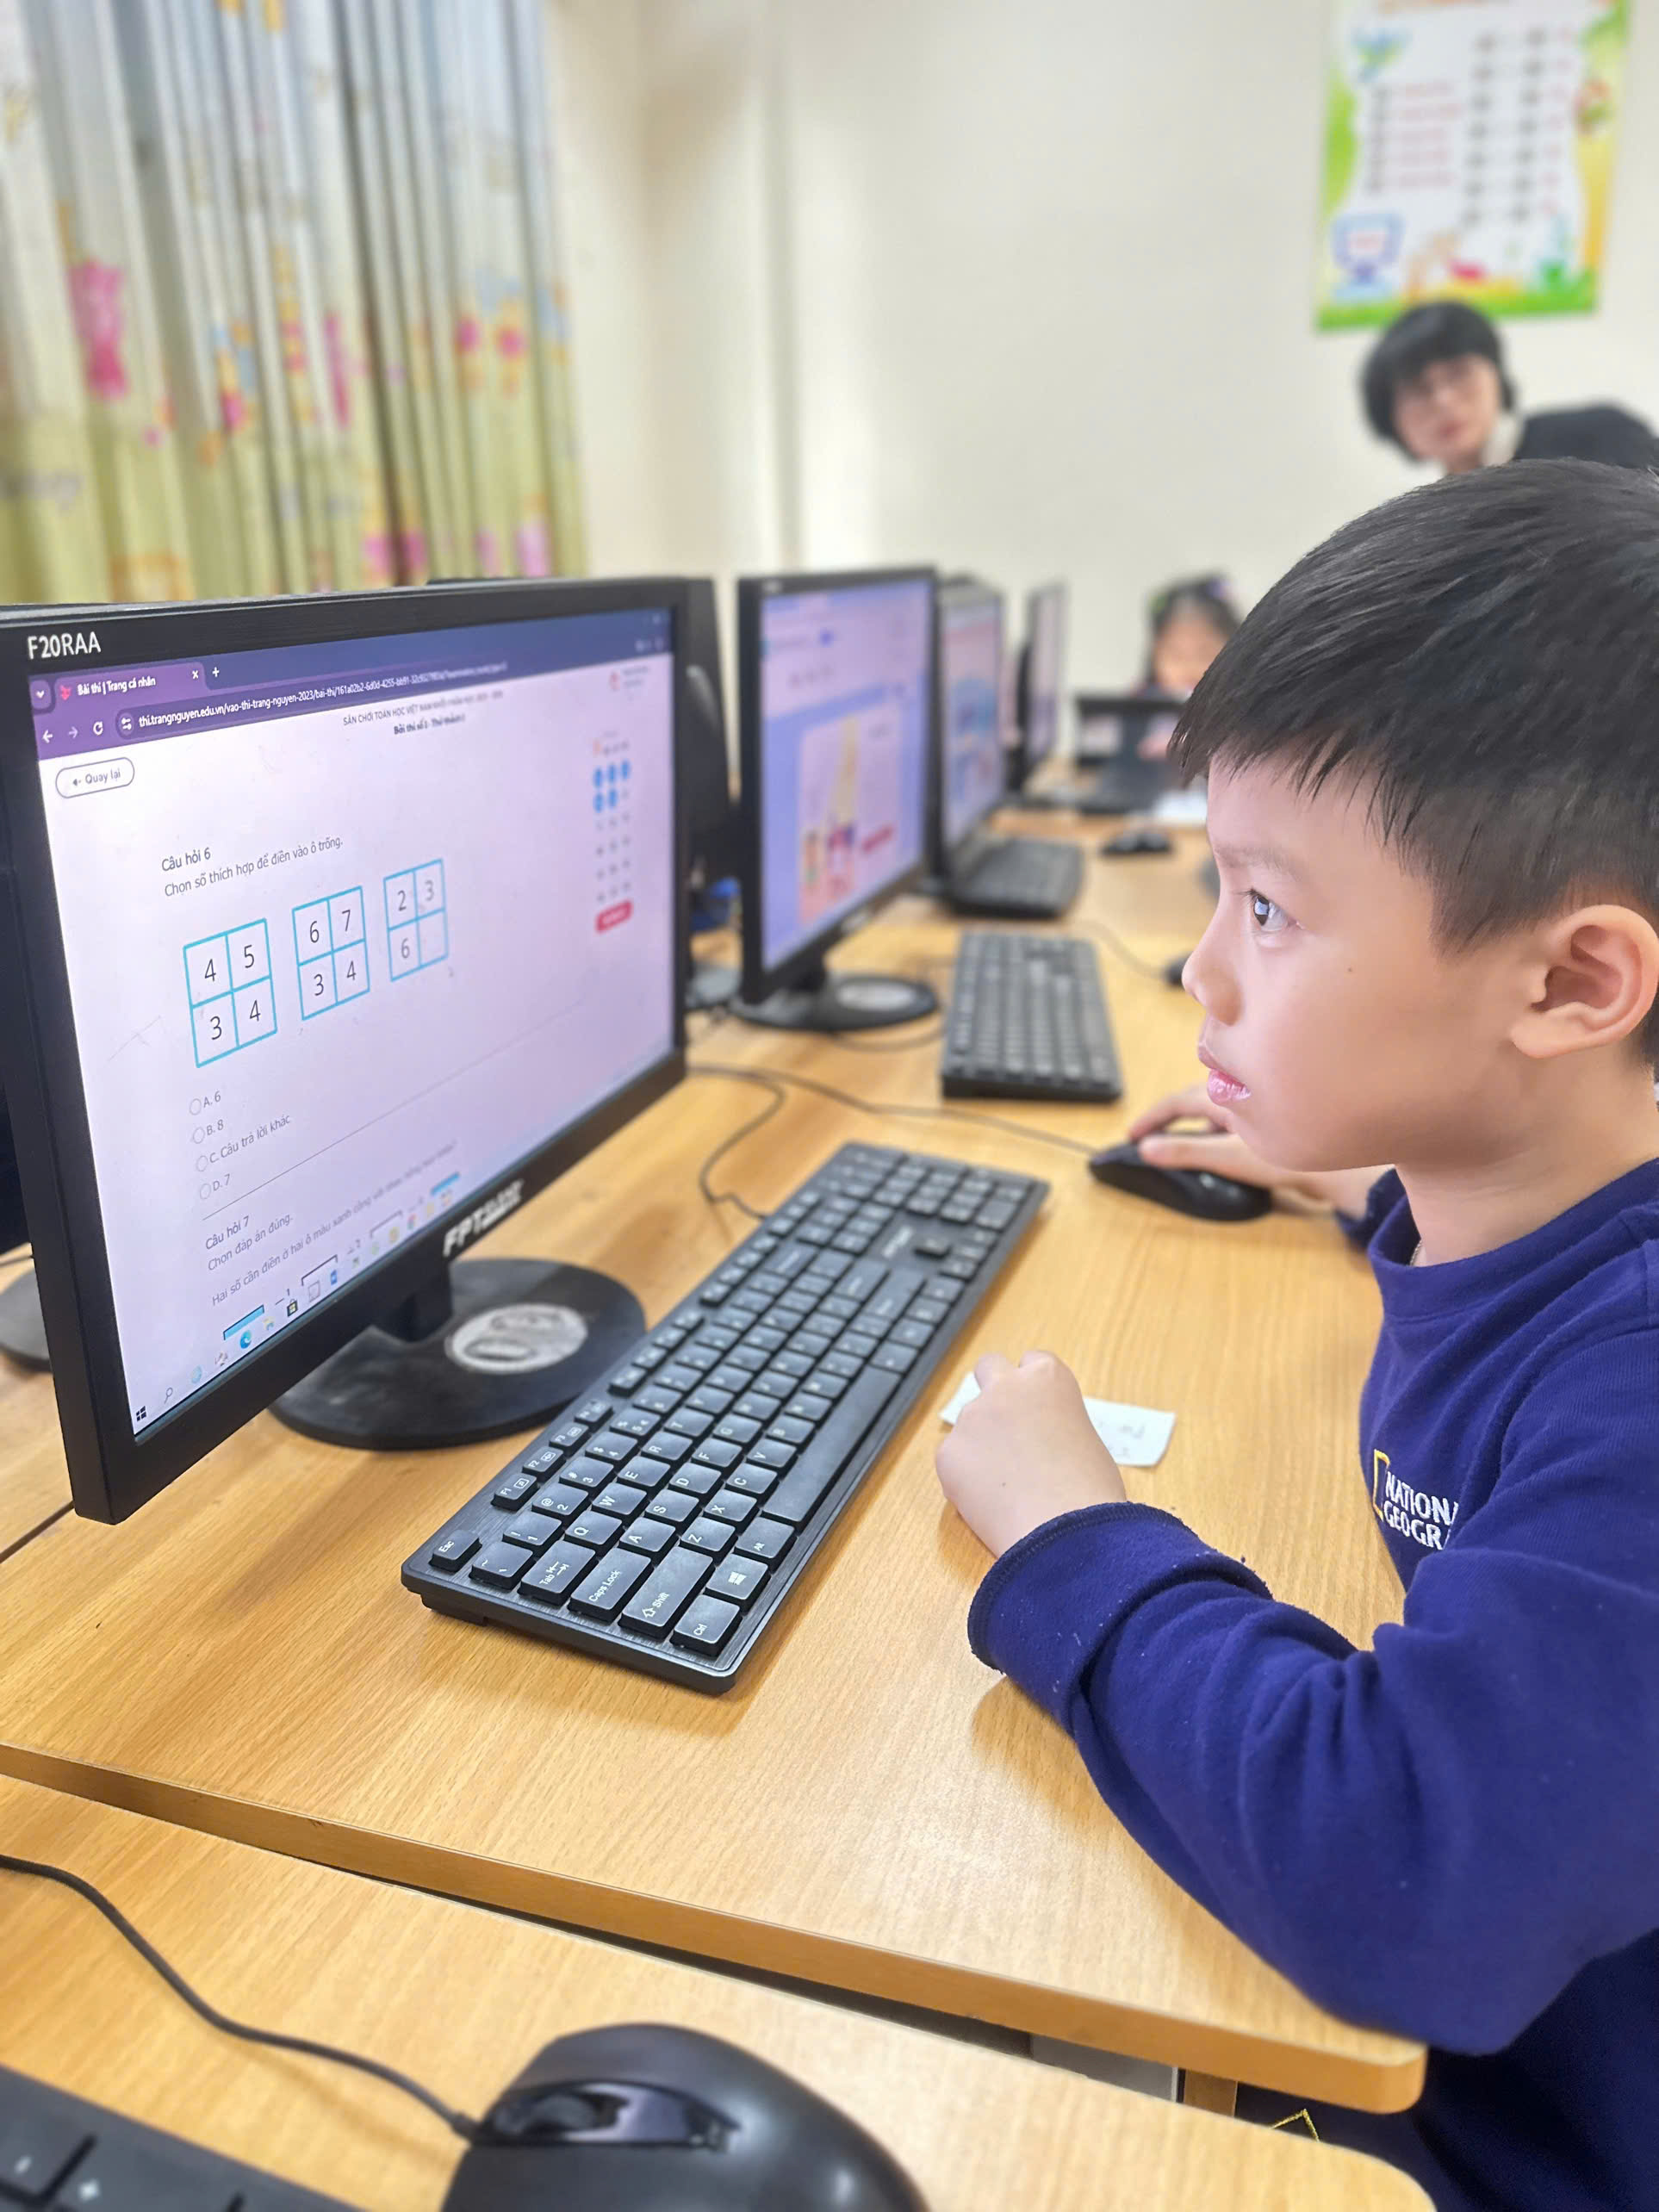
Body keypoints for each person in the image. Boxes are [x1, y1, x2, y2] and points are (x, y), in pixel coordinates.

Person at [935, 459, 1659, 2212]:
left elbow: (1409, 1869)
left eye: (1268, 908)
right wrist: (1369, 1197)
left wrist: (1076, 1532)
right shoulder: (1526, 1209)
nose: (1204, 975)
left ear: (1571, 984)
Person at [1362, 300, 1658, 477]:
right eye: (1419, 390)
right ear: (1390, 420)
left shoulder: (1602, 435)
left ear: (1496, 376)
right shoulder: (1423, 524)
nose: (1444, 400)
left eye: (1459, 374)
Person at [1132, 575, 1240, 759]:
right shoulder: (1138, 706)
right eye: (1175, 655)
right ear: (1155, 656)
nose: (1189, 667)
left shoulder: (1240, 705)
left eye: (1204, 653)